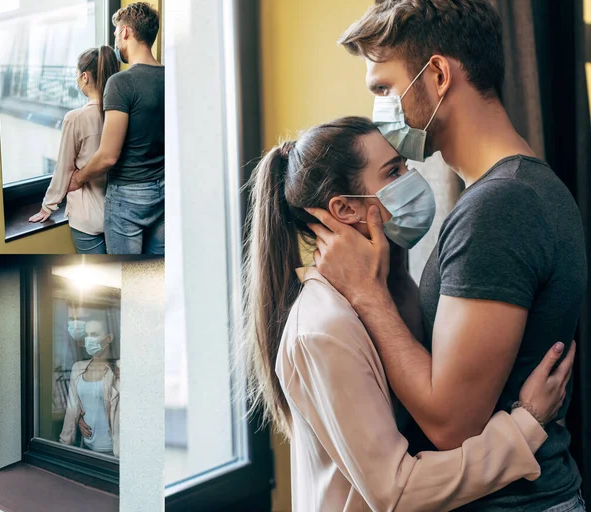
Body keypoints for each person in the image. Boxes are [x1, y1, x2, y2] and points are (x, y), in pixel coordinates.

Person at [306, 2, 587, 511]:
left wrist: (367, 295)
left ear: (437, 75)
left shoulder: (501, 208)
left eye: (384, 89)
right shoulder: (513, 190)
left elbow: (451, 424)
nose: (380, 111)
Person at [242, 116, 575, 512]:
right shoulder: (324, 329)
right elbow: (397, 492)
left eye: (404, 165)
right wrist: (527, 423)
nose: (410, 177)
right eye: (393, 172)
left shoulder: (378, 293)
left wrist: (393, 276)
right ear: (345, 208)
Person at [68, 2, 165, 255]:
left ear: (125, 33)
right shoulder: (170, 77)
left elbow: (108, 156)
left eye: (115, 34)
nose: (115, 42)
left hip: (128, 198)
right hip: (163, 191)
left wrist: (78, 177)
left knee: (128, 277)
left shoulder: (120, 82)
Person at [29, 47, 119, 254]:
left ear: (85, 77)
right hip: (118, 214)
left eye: (76, 74)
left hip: (86, 216)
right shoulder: (120, 114)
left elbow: (64, 168)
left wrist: (48, 206)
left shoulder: (76, 118)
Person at [59, 318, 120, 458]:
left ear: (109, 337)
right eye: (87, 335)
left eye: (95, 334)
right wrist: (77, 421)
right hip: (86, 448)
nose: (89, 340)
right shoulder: (78, 368)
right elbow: (72, 409)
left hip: (114, 453)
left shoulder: (119, 370)